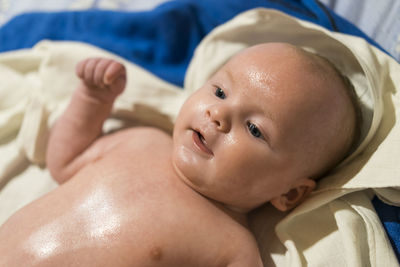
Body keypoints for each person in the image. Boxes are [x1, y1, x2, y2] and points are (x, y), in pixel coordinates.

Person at [0, 42, 361, 266]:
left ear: (289, 193)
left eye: (254, 129)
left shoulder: (231, 248)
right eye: (220, 92)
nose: (218, 115)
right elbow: (64, 161)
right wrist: (93, 100)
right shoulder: (141, 140)